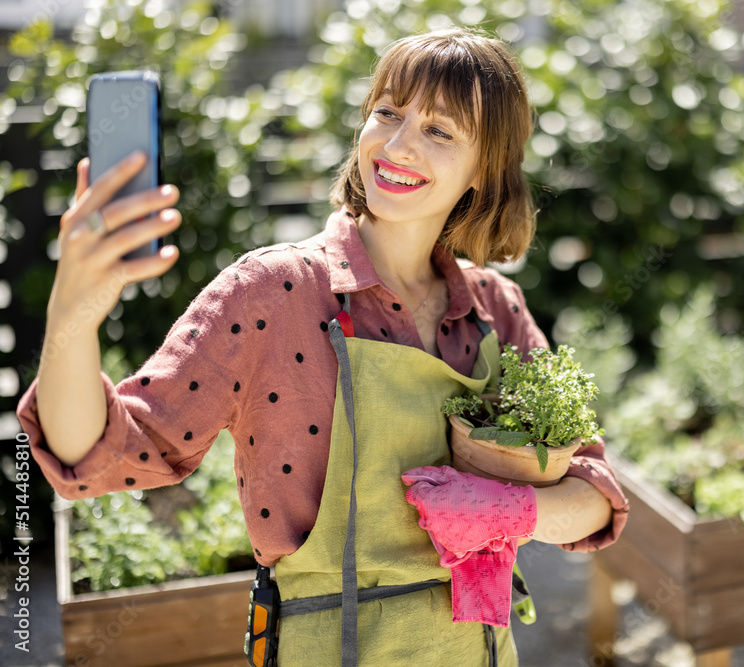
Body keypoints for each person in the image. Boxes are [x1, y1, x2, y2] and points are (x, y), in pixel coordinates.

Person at [17, 27, 629, 666]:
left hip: (477, 649)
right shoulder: (275, 293)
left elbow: (594, 497)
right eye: (387, 113)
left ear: (485, 170)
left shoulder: (492, 310)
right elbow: (102, 454)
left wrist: (512, 512)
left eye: (439, 131)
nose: (396, 145)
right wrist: (72, 313)